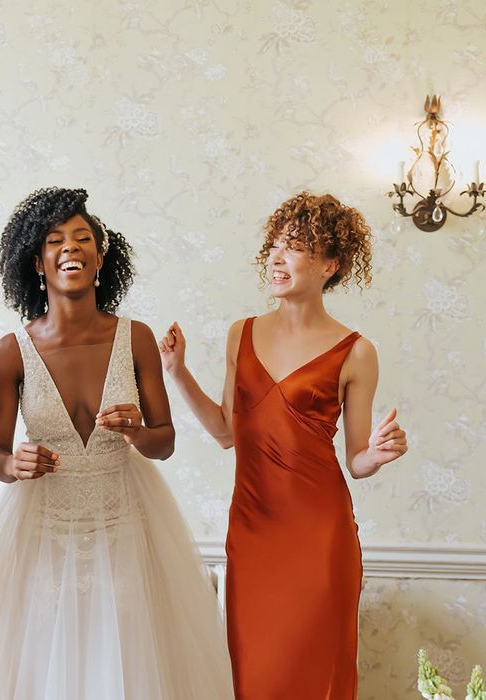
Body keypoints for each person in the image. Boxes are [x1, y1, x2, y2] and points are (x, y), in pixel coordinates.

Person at [0, 187, 233, 699]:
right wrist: (14, 463)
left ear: (101, 258)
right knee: (40, 659)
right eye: (56, 240)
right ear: (38, 263)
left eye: (83, 238)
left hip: (124, 517)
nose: (71, 247)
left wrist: (135, 432)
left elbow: (164, 442)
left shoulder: (138, 338)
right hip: (39, 528)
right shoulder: (10, 352)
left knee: (129, 656)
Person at [160, 192, 408, 700]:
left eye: (294, 247)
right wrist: (177, 373)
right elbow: (228, 432)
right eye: (274, 246)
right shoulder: (240, 334)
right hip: (252, 533)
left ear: (330, 264)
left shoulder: (357, 351)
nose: (276, 257)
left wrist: (377, 454)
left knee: (319, 674)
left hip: (320, 539)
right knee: (254, 675)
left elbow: (356, 462)